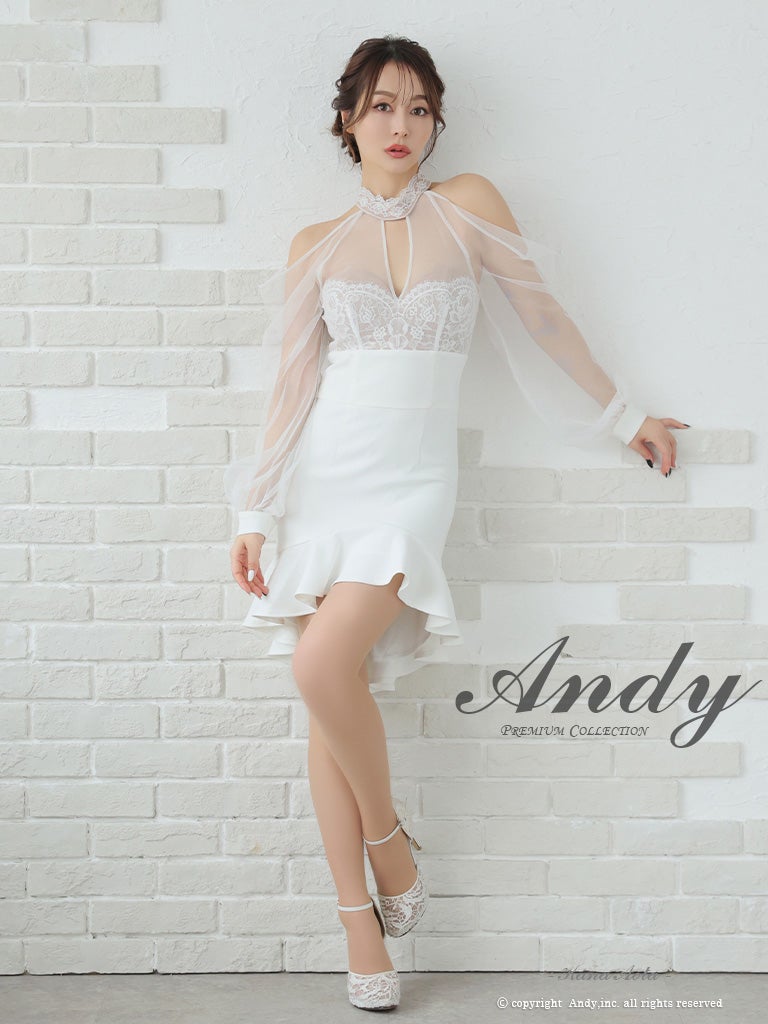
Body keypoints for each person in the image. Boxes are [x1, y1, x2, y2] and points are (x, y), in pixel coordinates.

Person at [226, 35, 688, 1012]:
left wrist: (624, 416)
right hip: (327, 478)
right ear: (348, 118)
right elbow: (292, 387)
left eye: (419, 108)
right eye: (382, 106)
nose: (401, 125)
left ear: (437, 123)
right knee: (329, 687)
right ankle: (362, 926)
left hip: (412, 482)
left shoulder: (469, 205)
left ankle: (390, 847)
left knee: (321, 670)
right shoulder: (315, 245)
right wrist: (256, 511)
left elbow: (544, 317)